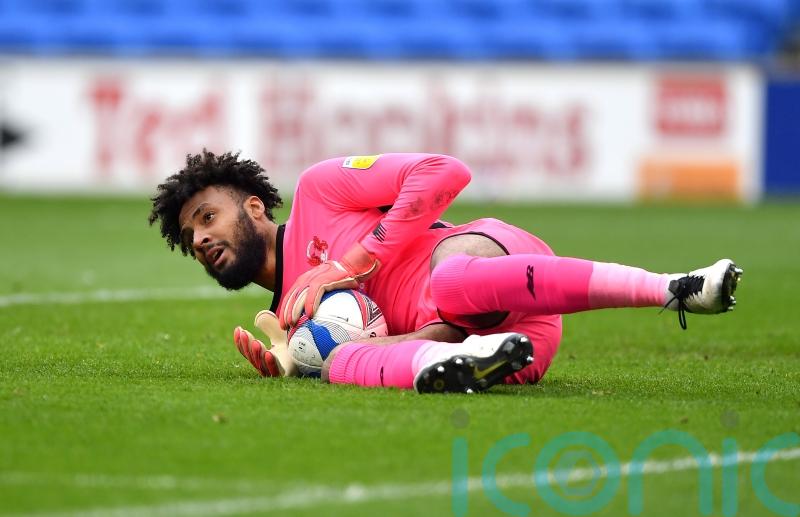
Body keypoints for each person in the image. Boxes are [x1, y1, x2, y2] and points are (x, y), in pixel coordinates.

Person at [149, 151, 742, 394]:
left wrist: (356, 259)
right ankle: (452, 365)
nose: (200, 239)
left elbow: (443, 171)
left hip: (490, 262)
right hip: (518, 345)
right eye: (189, 238)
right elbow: (330, 345)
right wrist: (292, 361)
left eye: (207, 218)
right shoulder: (291, 316)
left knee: (454, 284)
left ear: (253, 207)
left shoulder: (319, 189)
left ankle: (677, 288)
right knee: (336, 365)